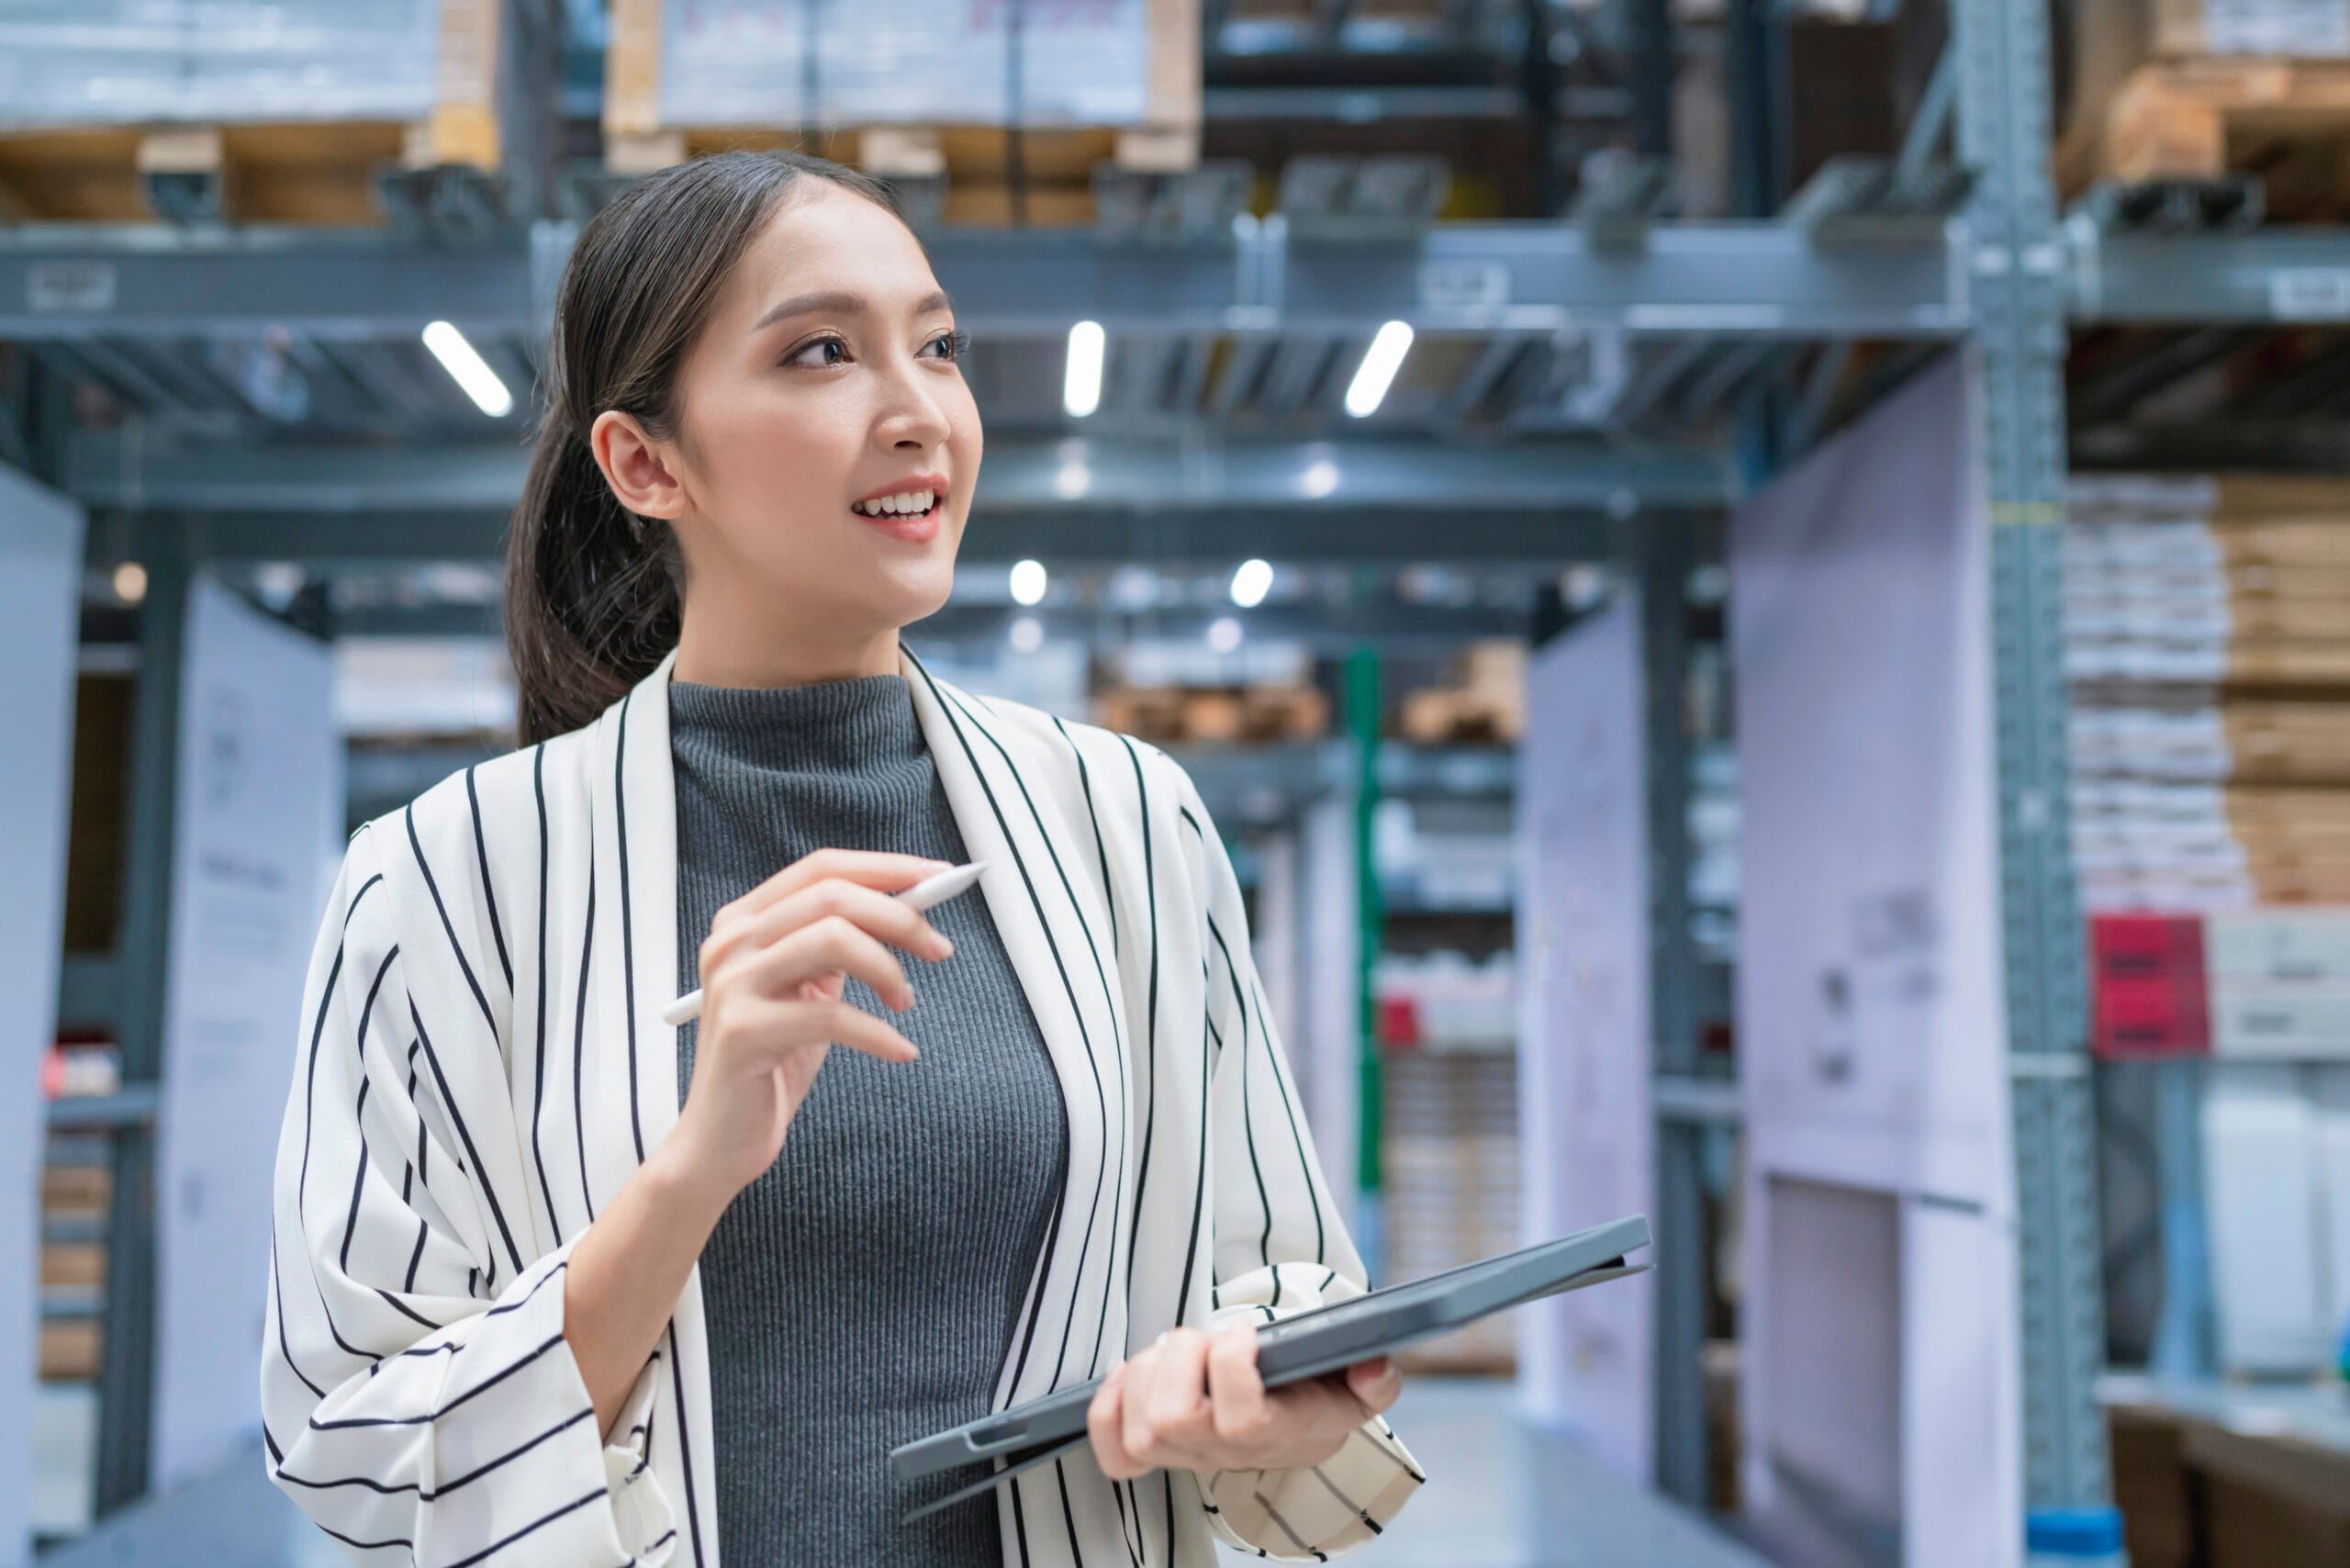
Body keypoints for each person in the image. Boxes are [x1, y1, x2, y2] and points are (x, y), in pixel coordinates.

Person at [260, 150, 1422, 1567]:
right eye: (822, 352)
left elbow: (1284, 1289)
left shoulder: (1128, 824)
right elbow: (353, 1440)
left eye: (937, 347)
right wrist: (694, 1167)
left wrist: (1271, 1384)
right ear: (645, 461)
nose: (921, 412)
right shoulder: (442, 885)